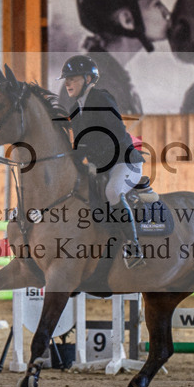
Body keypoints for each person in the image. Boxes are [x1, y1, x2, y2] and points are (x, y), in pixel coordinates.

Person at [59, 55, 148, 269]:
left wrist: (92, 156)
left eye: (73, 78)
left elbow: (116, 133)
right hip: (100, 166)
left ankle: (133, 246)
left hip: (124, 162)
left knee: (113, 192)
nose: (68, 83)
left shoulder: (101, 98)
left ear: (88, 78)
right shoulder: (74, 110)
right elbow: (80, 145)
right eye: (66, 79)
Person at [72, 0, 181, 115]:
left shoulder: (107, 76)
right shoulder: (98, 87)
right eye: (156, 4)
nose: (167, 12)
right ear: (127, 20)